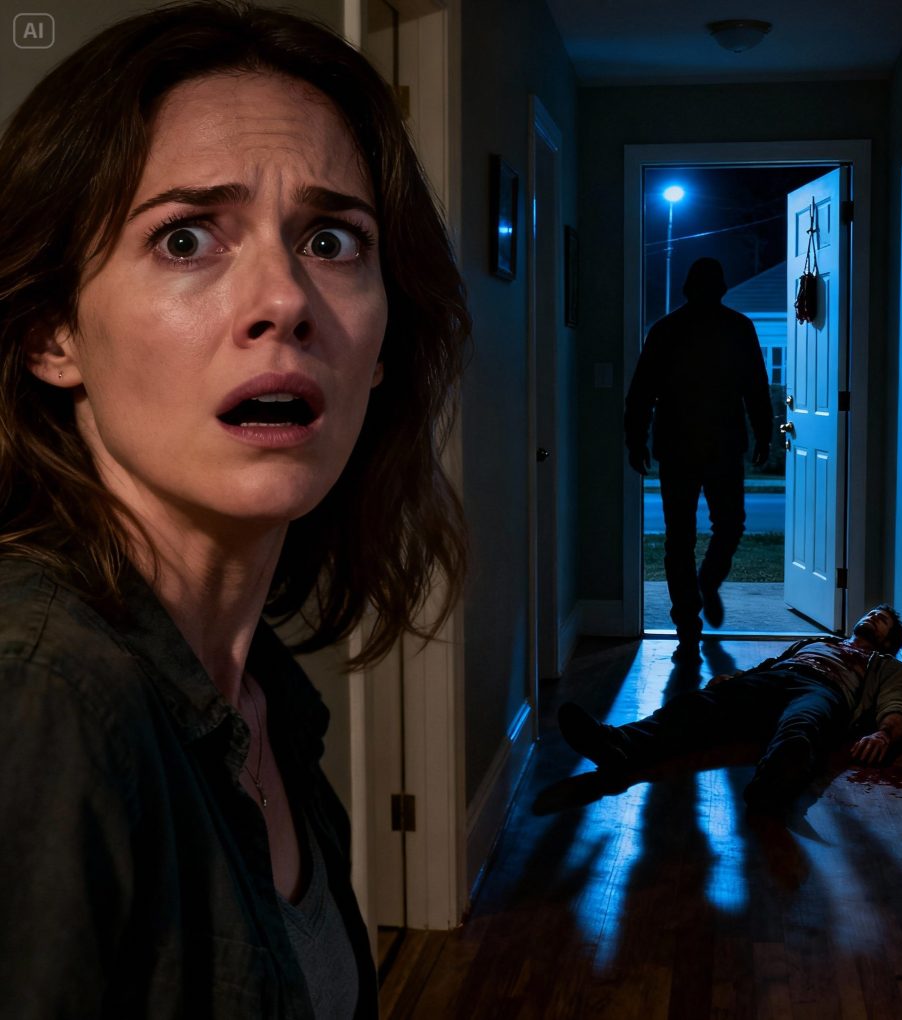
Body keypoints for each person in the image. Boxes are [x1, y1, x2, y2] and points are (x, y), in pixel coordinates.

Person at [0, 3, 469, 1017]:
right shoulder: (39, 700)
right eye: (185, 239)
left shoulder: (264, 701)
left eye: (333, 240)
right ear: (51, 333)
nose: (285, 299)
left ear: (382, 349)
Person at [558, 605, 902, 815]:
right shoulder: (818, 641)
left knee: (801, 728)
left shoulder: (886, 665)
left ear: (888, 641)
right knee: (699, 705)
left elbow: (897, 704)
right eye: (872, 612)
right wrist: (737, 678)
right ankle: (618, 743)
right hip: (780, 677)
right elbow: (772, 665)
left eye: (881, 618)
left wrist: (885, 734)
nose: (872, 617)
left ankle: (773, 785)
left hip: (824, 691)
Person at [625, 256, 773, 663]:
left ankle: (687, 631)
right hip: (723, 444)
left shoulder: (665, 329)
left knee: (679, 539)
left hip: (677, 446)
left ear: (687, 288)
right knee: (729, 524)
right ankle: (707, 583)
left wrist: (635, 440)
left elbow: (642, 392)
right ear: (722, 288)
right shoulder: (738, 327)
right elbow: (756, 387)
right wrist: (763, 433)